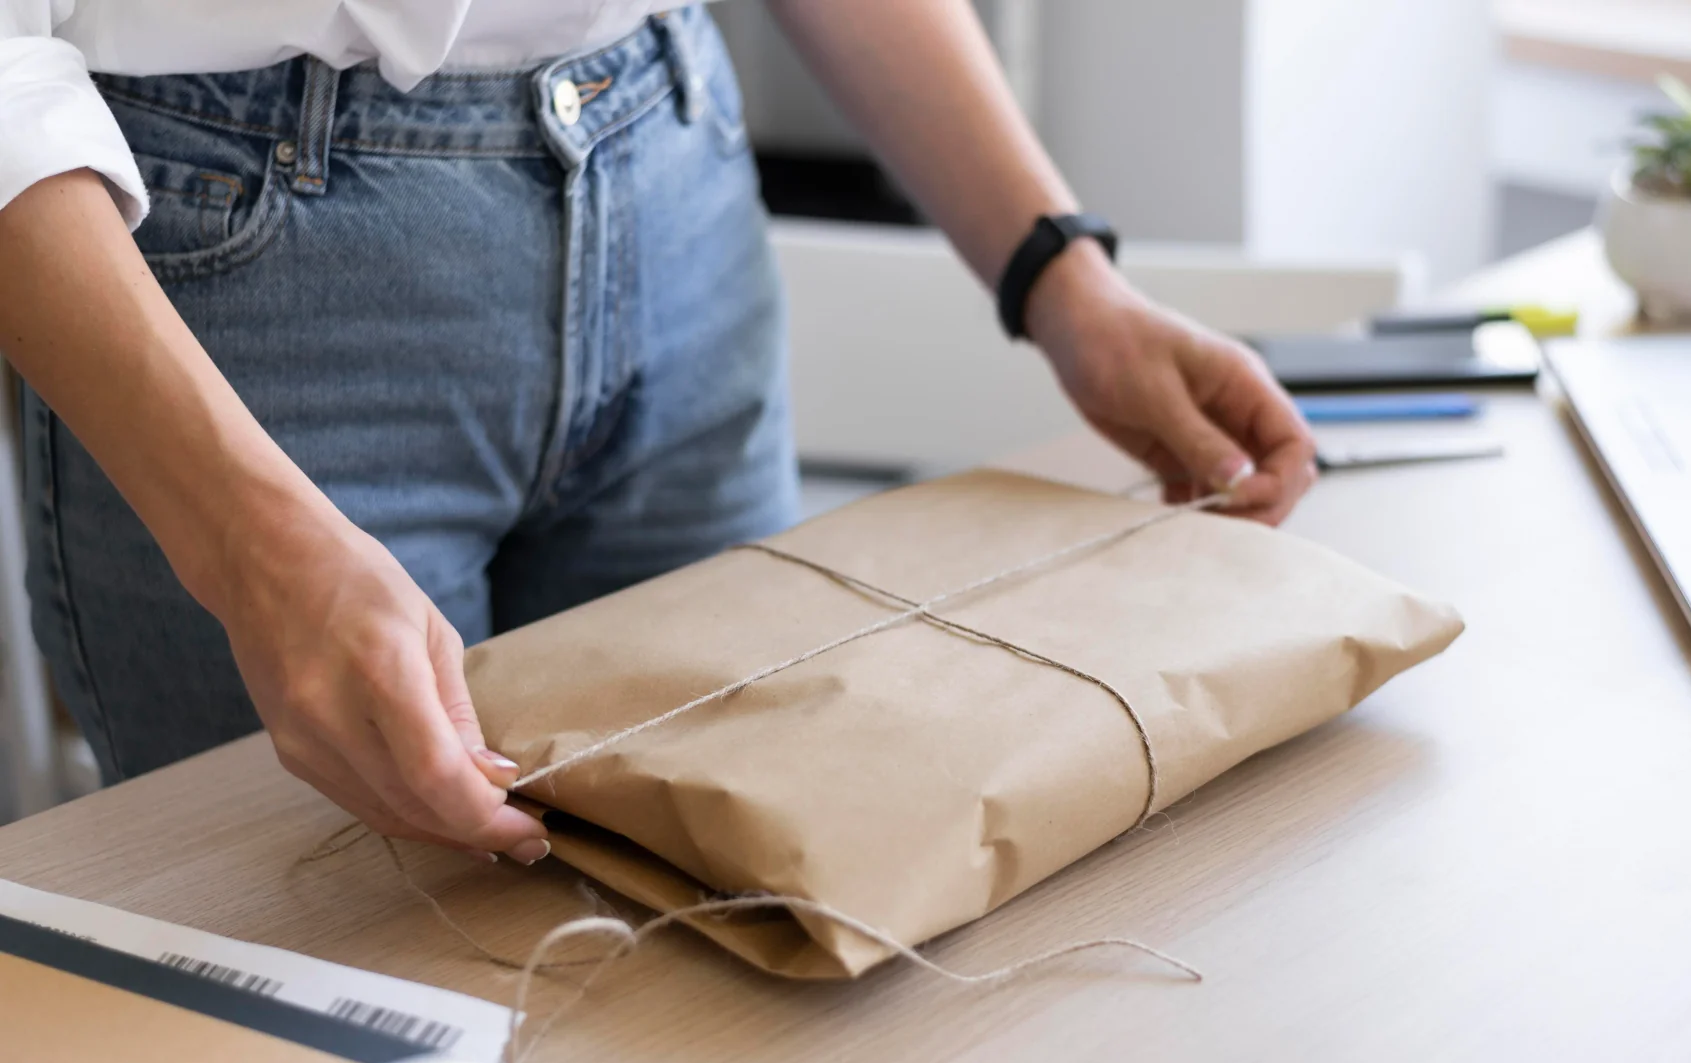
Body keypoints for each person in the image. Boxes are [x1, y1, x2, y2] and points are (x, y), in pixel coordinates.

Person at [0, 1, 1316, 867]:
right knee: (342, 974)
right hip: (227, 270)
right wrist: (249, 544)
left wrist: (1056, 270)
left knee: (743, 955)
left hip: (671, 176)